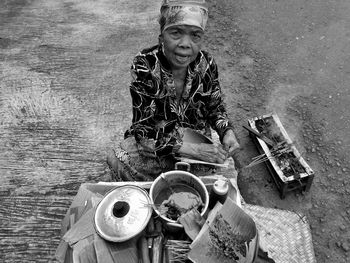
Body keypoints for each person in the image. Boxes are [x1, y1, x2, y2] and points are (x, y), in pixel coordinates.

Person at [107, 0, 240, 181]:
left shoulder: (206, 64)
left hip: (197, 138)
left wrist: (227, 132)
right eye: (176, 33)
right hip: (159, 144)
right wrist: (191, 150)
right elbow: (143, 132)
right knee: (118, 159)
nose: (186, 44)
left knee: (226, 178)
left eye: (195, 35)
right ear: (161, 36)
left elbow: (215, 108)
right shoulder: (145, 66)